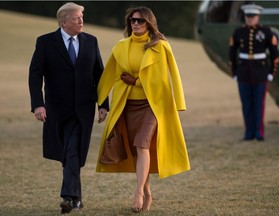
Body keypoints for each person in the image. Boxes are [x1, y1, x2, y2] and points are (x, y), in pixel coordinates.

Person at [96, 6, 190, 213]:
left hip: (152, 105)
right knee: (138, 151)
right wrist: (100, 103)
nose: (135, 24)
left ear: (149, 23)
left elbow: (172, 75)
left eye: (140, 21)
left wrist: (178, 102)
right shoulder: (121, 46)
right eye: (132, 20)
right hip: (128, 105)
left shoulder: (161, 46)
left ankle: (137, 193)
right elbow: (109, 75)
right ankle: (147, 192)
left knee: (142, 144)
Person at [28, 2, 109, 214]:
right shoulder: (45, 42)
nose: (81, 20)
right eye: (76, 18)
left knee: (73, 150)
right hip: (56, 109)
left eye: (82, 16)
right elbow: (35, 74)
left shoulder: (91, 41)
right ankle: (77, 198)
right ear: (64, 22)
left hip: (83, 109)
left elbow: (99, 74)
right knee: (67, 153)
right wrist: (38, 104)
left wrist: (103, 104)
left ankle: (67, 196)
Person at [229, 3, 279, 141]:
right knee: (246, 103)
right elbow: (232, 54)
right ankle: (249, 133)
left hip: (261, 72)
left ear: (258, 17)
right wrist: (234, 72)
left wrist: (271, 72)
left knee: (259, 103)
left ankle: (259, 132)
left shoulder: (266, 32)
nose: (250, 19)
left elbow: (274, 54)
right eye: (248, 16)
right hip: (244, 72)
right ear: (245, 17)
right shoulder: (238, 32)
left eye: (253, 16)